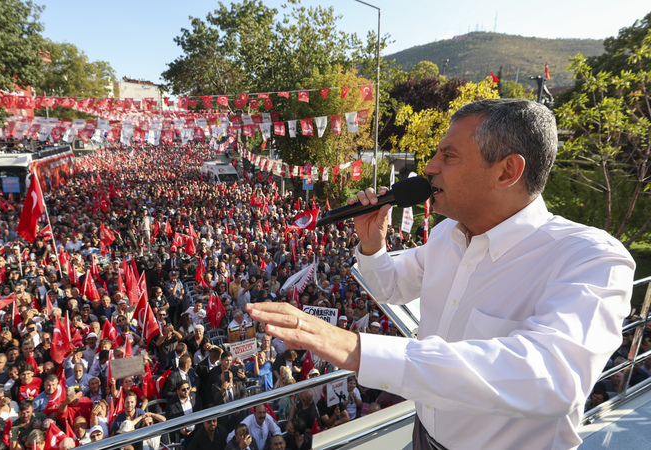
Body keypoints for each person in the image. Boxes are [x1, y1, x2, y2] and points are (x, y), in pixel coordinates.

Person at [246, 98, 636, 449]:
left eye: (448, 156)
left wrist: (357, 349)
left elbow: (553, 377)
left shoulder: (591, 258)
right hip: (423, 435)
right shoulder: (448, 233)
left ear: (507, 172)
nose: (430, 168)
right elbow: (391, 285)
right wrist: (372, 244)